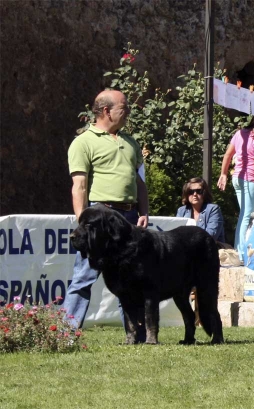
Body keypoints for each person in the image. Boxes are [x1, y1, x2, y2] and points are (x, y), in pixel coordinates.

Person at [65, 89, 149, 342]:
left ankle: (137, 336)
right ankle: (64, 335)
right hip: (100, 218)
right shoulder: (83, 142)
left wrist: (144, 211)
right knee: (83, 277)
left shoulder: (130, 142)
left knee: (132, 277)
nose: (129, 112)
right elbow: (79, 185)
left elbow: (139, 181)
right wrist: (83, 222)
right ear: (105, 111)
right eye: (124, 107)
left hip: (130, 217)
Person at [217, 109, 254, 261]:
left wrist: (223, 173)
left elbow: (228, 154)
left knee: (243, 215)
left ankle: (238, 250)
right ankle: (242, 254)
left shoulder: (240, 133)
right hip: (250, 180)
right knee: (246, 216)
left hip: (237, 178)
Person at [176, 177, 225, 243]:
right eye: (191, 192)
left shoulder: (213, 209)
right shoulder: (181, 211)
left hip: (210, 249)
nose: (195, 194)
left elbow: (211, 236)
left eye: (199, 191)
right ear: (186, 194)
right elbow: (176, 235)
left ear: (204, 193)